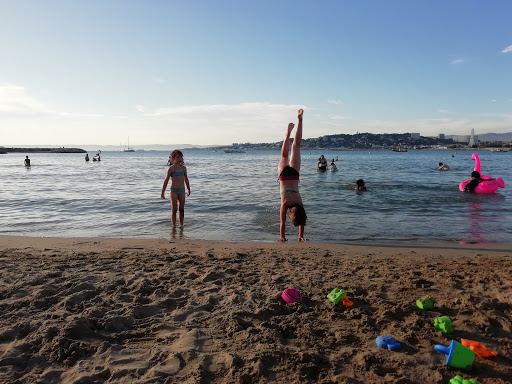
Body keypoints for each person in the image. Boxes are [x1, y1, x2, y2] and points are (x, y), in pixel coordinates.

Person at [278, 109, 307, 242]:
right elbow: (282, 223)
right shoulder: (285, 204)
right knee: (284, 155)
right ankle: (287, 135)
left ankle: (300, 121)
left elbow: (301, 219)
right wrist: (282, 237)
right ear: (291, 215)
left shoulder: (300, 204)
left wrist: (301, 235)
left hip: (294, 176)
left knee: (296, 146)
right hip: (284, 176)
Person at [161, 150, 191, 227]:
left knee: (181, 209)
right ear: (173, 158)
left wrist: (188, 189)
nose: (180, 158)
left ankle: (181, 225)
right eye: (178, 157)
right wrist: (163, 192)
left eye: (181, 157)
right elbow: (166, 180)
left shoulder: (184, 168)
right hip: (173, 191)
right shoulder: (171, 169)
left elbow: (186, 179)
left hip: (182, 191)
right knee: (174, 209)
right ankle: (173, 225)